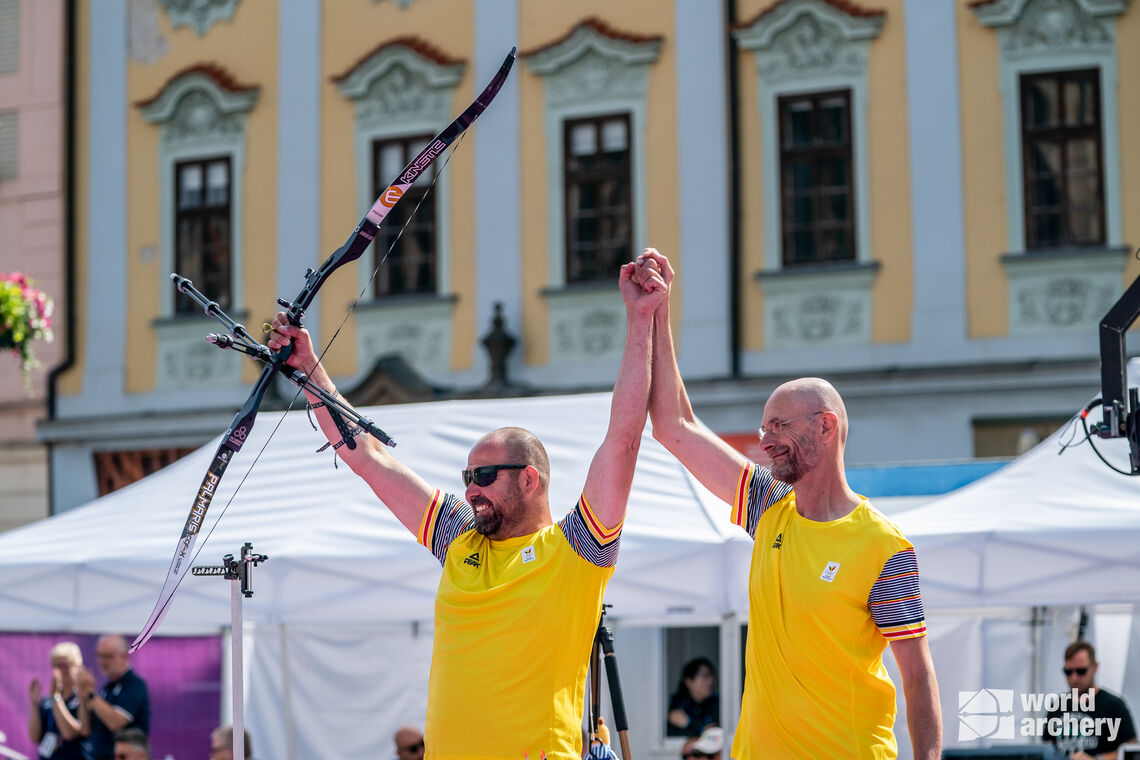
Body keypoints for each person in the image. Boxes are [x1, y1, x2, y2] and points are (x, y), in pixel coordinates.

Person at [266, 253, 666, 760]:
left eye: (482, 477)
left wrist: (640, 318)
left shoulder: (576, 550)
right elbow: (367, 457)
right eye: (465, 478)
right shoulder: (460, 539)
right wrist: (309, 369)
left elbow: (623, 439)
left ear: (528, 480)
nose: (470, 489)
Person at [634, 249, 941, 759]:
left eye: (780, 426)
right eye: (763, 427)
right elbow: (674, 427)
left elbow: (918, 675)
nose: (766, 439)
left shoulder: (883, 545)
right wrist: (658, 311)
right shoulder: (770, 506)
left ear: (826, 425)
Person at [1043, 640, 1137, 759]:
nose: (1074, 677)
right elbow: (1047, 748)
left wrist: (1096, 759)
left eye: (1081, 671)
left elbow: (1131, 751)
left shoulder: (1114, 705)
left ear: (1095, 667)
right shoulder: (1057, 706)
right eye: (1068, 672)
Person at [77, 635, 150, 760]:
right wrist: (83, 696)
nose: (102, 661)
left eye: (108, 656)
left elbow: (115, 722)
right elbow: (85, 729)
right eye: (99, 656)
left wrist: (90, 693)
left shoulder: (134, 685)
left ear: (124, 656)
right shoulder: (106, 688)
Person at [27, 641, 90, 759]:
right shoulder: (47, 701)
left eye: (65, 665)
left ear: (77, 666)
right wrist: (35, 705)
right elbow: (34, 737)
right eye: (57, 666)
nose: (61, 671)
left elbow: (70, 733)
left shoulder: (82, 697)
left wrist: (56, 699)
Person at [666, 656, 718, 737]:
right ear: (688, 681)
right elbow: (674, 738)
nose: (710, 681)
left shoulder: (717, 705)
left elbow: (716, 733)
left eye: (711, 676)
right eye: (705, 676)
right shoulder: (679, 706)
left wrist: (689, 723)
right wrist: (702, 730)